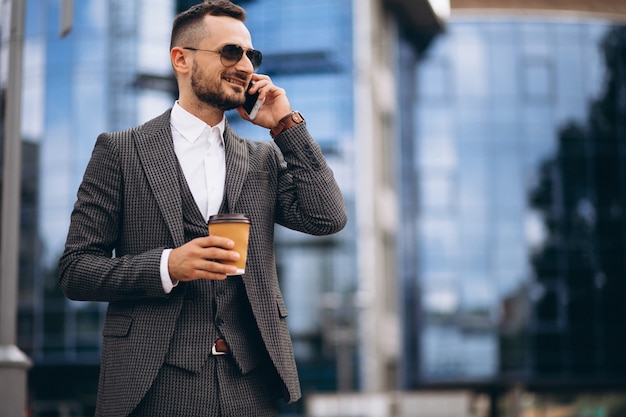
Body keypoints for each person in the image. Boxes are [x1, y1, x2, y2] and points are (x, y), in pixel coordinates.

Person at [58, 1, 347, 416]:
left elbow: (327, 217)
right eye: (231, 52)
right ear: (181, 59)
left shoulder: (261, 159)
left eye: (252, 55)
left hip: (249, 383)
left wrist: (287, 127)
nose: (246, 65)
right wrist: (168, 266)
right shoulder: (121, 152)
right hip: (155, 380)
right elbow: (75, 271)